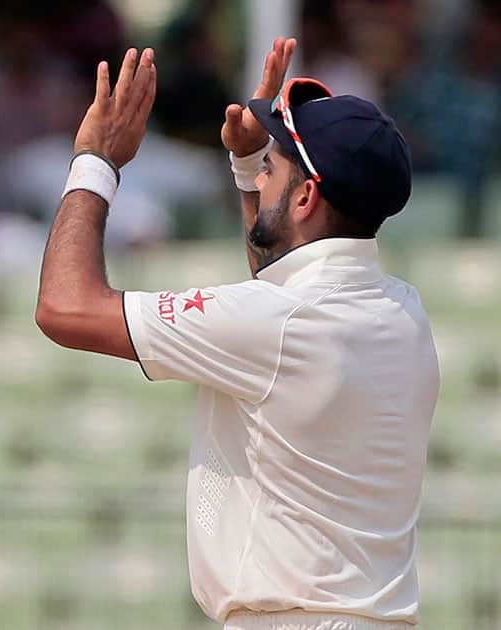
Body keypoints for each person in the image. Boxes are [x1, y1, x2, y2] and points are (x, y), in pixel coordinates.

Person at [36, 39, 438, 629]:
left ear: (305, 198)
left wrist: (97, 161)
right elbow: (278, 291)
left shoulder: (280, 322)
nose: (263, 173)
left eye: (274, 167)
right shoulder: (405, 310)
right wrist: (251, 167)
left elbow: (63, 308)